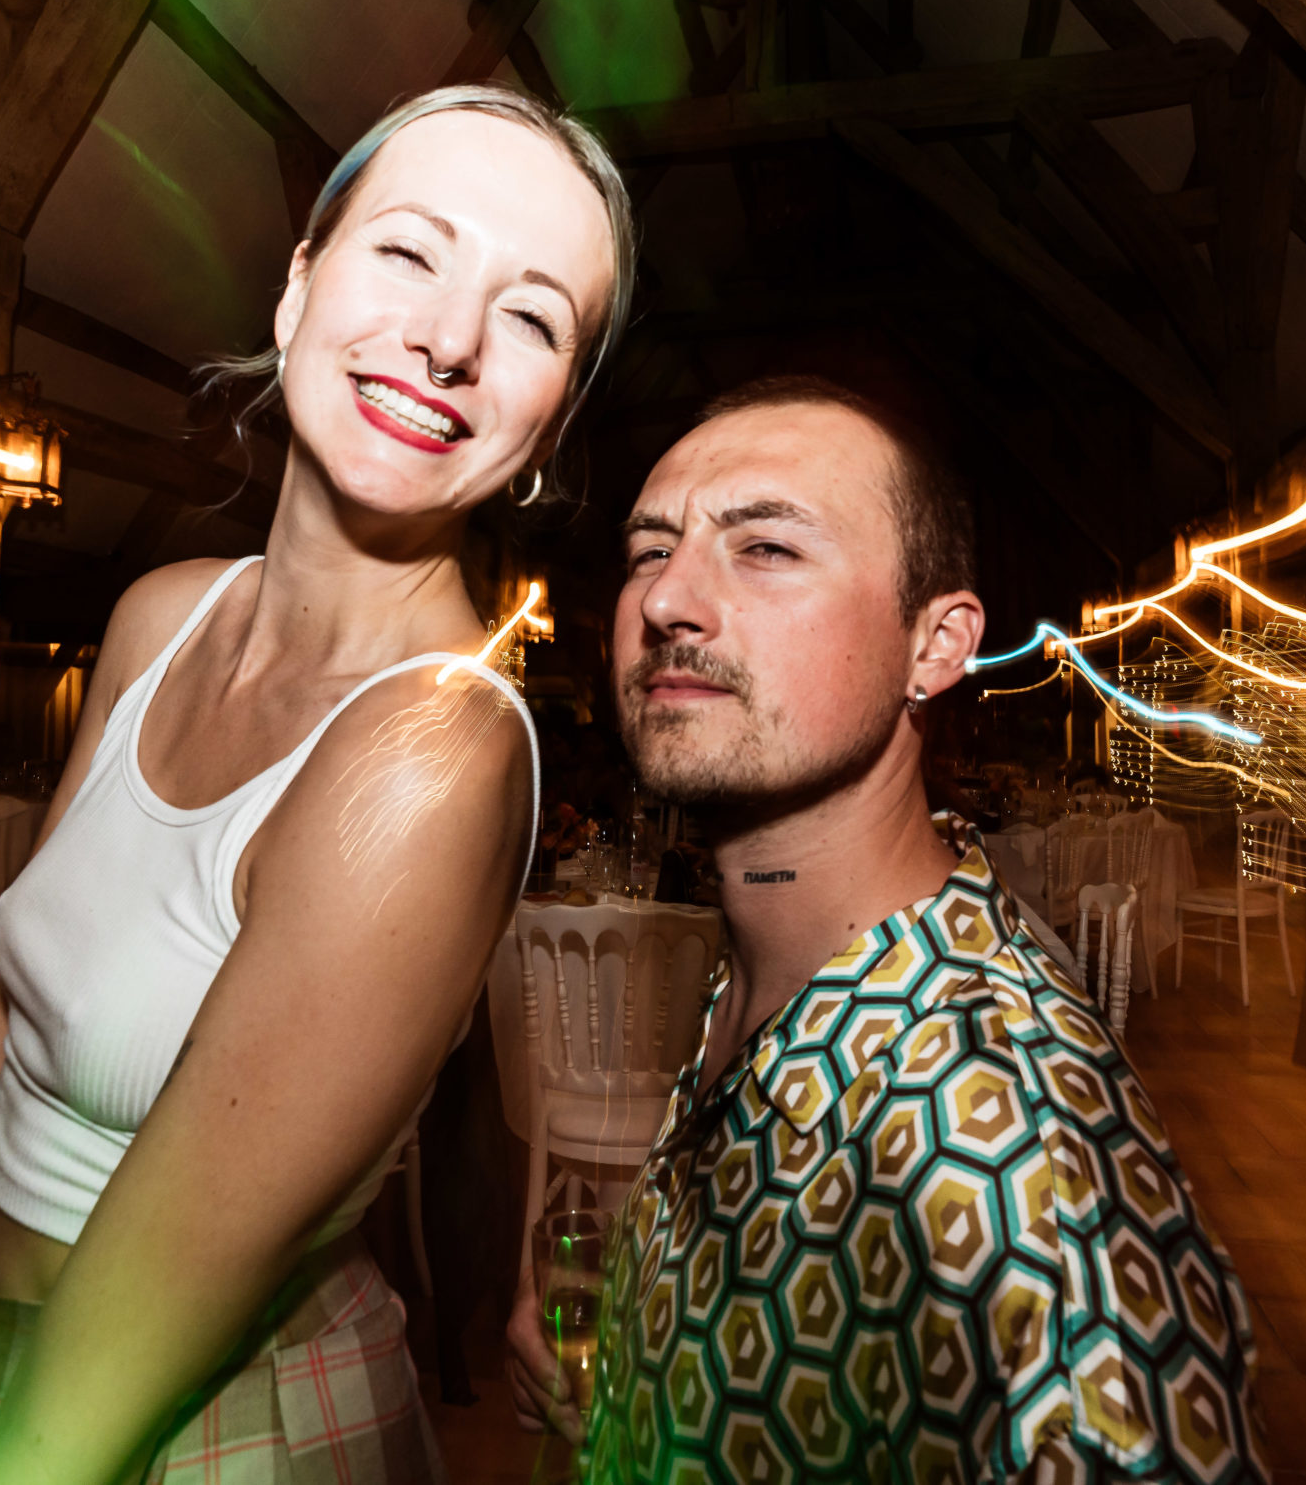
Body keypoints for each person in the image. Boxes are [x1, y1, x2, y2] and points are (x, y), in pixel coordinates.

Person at [0, 83, 635, 1485]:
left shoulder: (435, 752)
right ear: (298, 290)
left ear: (547, 429)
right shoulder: (159, 618)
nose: (451, 337)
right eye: (408, 251)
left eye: (531, 318)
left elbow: (148, 1310)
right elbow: (3, 1030)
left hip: (210, 1432)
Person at [509, 377, 1264, 1483]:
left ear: (936, 645)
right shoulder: (781, 970)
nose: (667, 598)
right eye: (649, 551)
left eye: (767, 548)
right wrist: (640, 1385)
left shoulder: (1011, 1141)